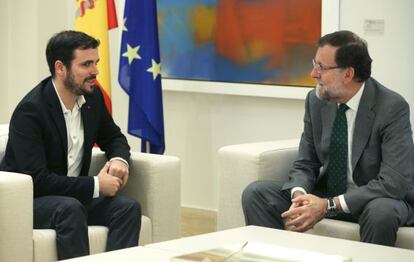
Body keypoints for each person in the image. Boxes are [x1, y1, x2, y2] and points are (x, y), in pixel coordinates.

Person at [242, 30, 414, 246]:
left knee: (381, 212)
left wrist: (328, 205)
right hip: (327, 194)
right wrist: (299, 195)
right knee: (257, 194)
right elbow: (306, 162)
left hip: (372, 200)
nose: (314, 73)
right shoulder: (316, 101)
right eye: (315, 63)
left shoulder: (391, 107)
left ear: (348, 74)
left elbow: (393, 183)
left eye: (321, 67)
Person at [0, 30, 141, 260]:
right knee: (70, 208)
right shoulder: (31, 111)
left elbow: (114, 137)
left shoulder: (93, 99)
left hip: (71, 199)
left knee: (128, 207)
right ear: (60, 68)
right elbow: (37, 180)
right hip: (28, 202)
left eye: (96, 63)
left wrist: (118, 159)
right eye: (86, 64)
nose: (95, 71)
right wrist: (96, 185)